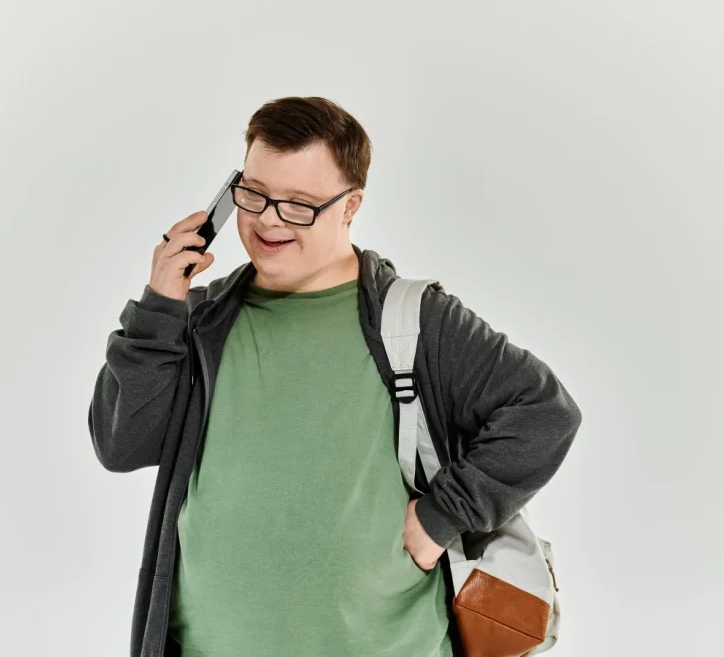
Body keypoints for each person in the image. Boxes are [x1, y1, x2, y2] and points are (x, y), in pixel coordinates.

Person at [88, 96, 583, 657]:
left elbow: (545, 413)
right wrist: (159, 307)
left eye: (299, 204)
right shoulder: (198, 321)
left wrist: (444, 515)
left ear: (351, 206)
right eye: (253, 194)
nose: (269, 219)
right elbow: (120, 444)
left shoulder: (414, 320)